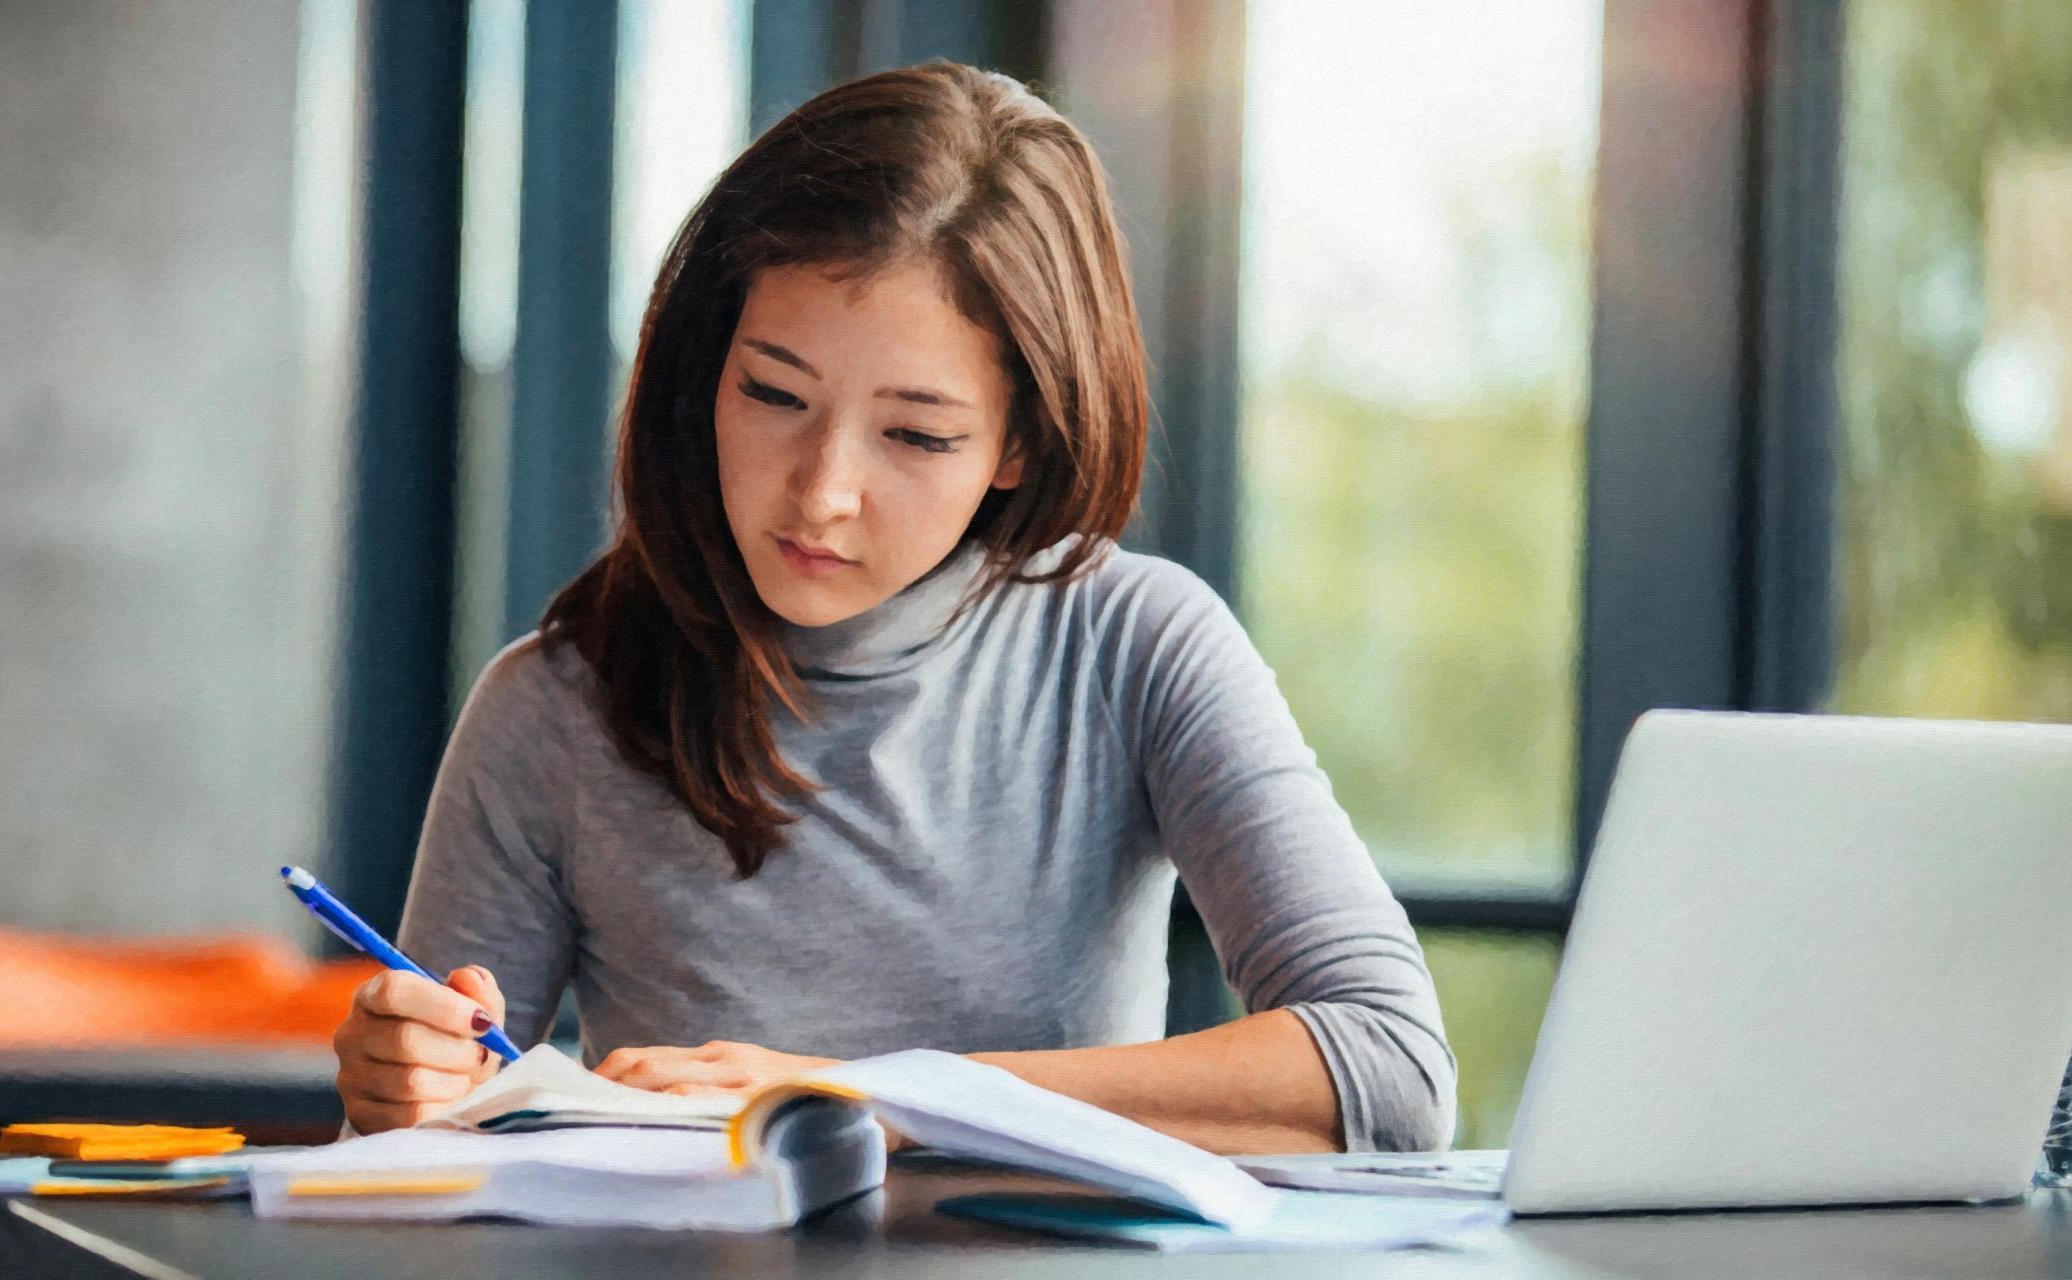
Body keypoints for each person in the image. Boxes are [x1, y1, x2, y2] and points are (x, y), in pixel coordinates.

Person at [330, 60, 1454, 1155]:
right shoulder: (557, 707)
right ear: (703, 368)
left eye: (915, 434)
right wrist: (401, 1097)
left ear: (1020, 439)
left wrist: (871, 1096)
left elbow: (1389, 1068)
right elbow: (418, 1169)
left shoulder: (1133, 645)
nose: (820, 493)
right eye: (772, 392)